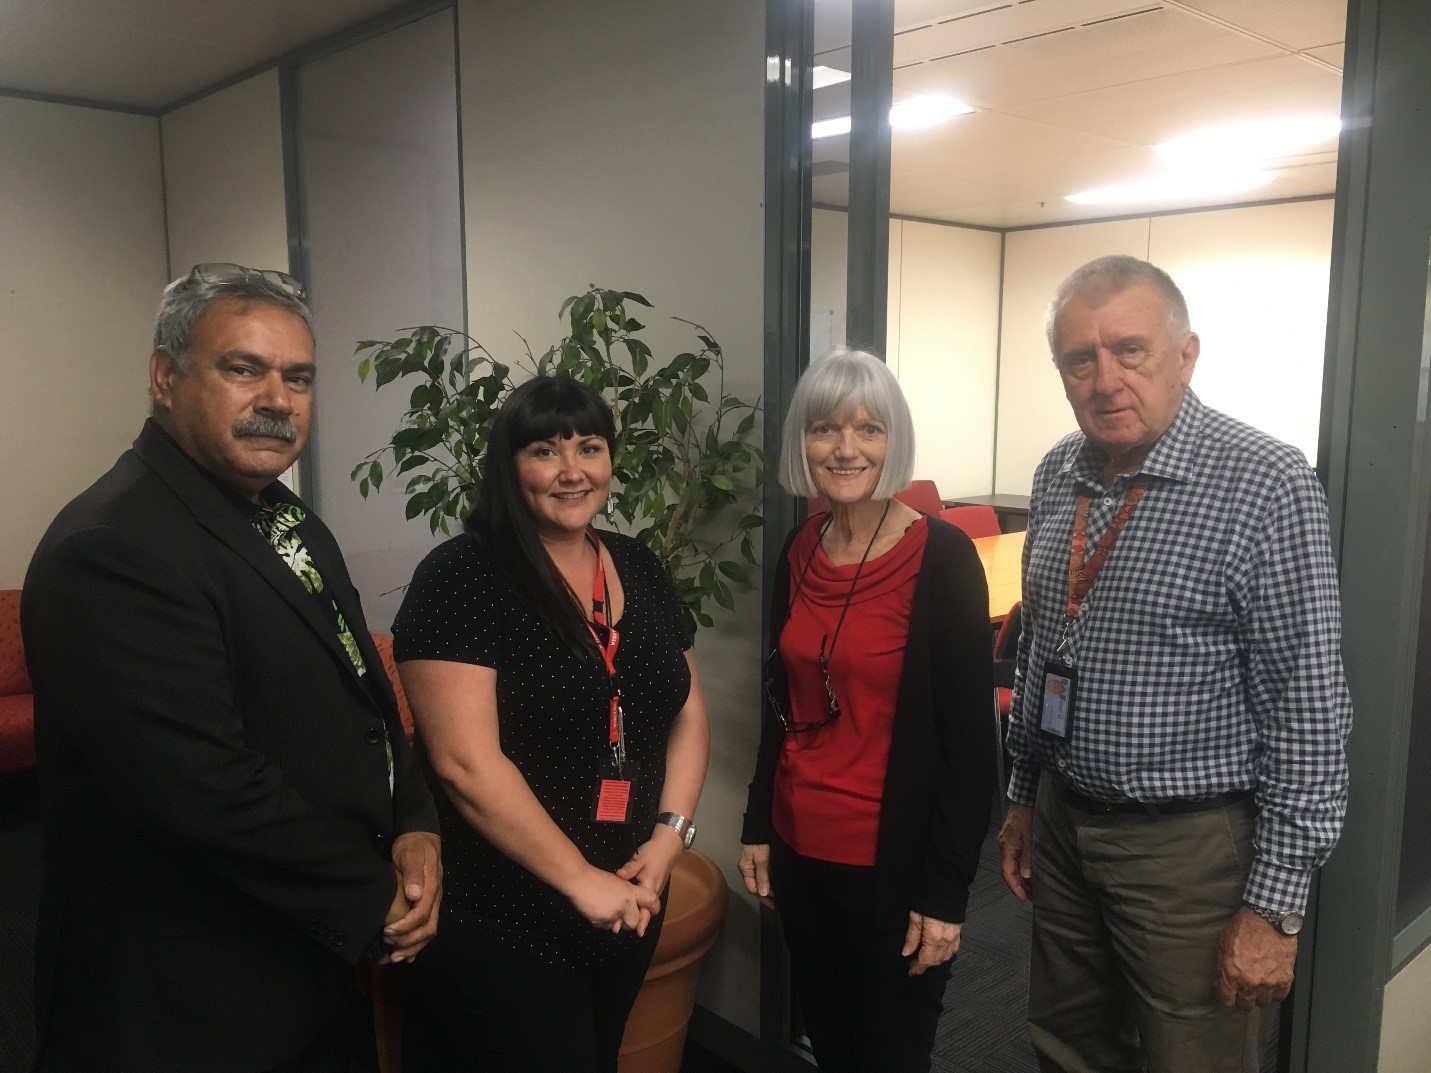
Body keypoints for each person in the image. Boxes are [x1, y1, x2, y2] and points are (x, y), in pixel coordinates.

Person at [21, 263, 442, 1072]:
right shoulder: (112, 546)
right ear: (165, 376)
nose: (277, 399)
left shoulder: (286, 519)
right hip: (186, 991)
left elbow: (367, 696)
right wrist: (372, 894)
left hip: (307, 961)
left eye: (298, 377)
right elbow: (201, 787)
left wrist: (416, 821)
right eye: (242, 368)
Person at [997, 255, 1352, 1073]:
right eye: (1079, 359)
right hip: (1063, 818)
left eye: (1131, 350)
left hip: (1188, 847)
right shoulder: (1059, 472)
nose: (1105, 378)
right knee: (1065, 1043)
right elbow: (1045, 646)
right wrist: (1022, 798)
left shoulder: (1264, 483)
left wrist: (1275, 908)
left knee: (1193, 1056)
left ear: (1185, 355)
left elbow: (1306, 709)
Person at [392, 375, 710, 1073]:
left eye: (589, 447)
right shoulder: (463, 575)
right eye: (545, 451)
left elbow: (686, 707)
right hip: (502, 916)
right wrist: (578, 878)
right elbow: (463, 763)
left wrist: (667, 838)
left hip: (625, 896)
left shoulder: (634, 562)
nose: (572, 471)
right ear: (509, 468)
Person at [739, 348, 995, 1073]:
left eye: (867, 429)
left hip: (889, 866)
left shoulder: (939, 558)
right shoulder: (800, 547)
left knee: (886, 1052)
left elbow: (970, 748)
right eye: (824, 429)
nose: (845, 448)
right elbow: (780, 701)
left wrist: (945, 894)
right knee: (831, 1039)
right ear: (802, 442)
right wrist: (759, 821)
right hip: (799, 851)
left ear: (893, 442)